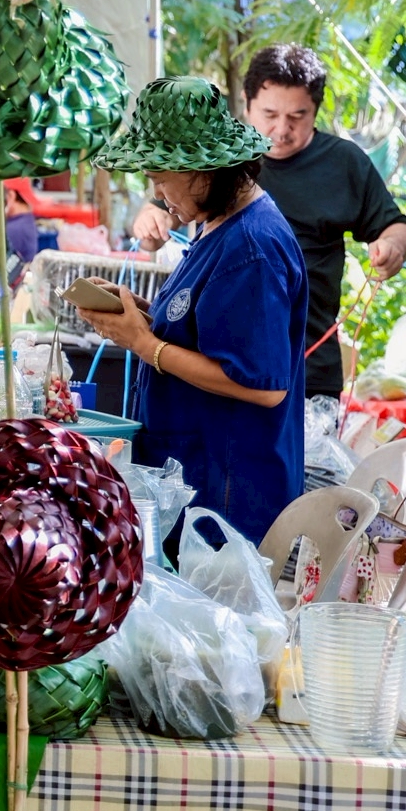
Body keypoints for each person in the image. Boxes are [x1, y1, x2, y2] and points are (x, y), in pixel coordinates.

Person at [83, 77, 307, 543]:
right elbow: (202, 327)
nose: (160, 194)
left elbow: (262, 385)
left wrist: (145, 344)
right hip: (194, 474)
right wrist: (138, 314)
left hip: (228, 492)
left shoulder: (252, 247)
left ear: (203, 172)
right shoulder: (217, 226)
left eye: (163, 180)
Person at [131, 44, 406, 400]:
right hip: (215, 357)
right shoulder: (217, 163)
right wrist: (152, 219)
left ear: (315, 110)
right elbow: (160, 209)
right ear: (246, 105)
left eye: (297, 116)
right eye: (269, 114)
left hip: (305, 367)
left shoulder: (342, 164)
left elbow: (395, 226)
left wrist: (392, 246)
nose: (281, 129)